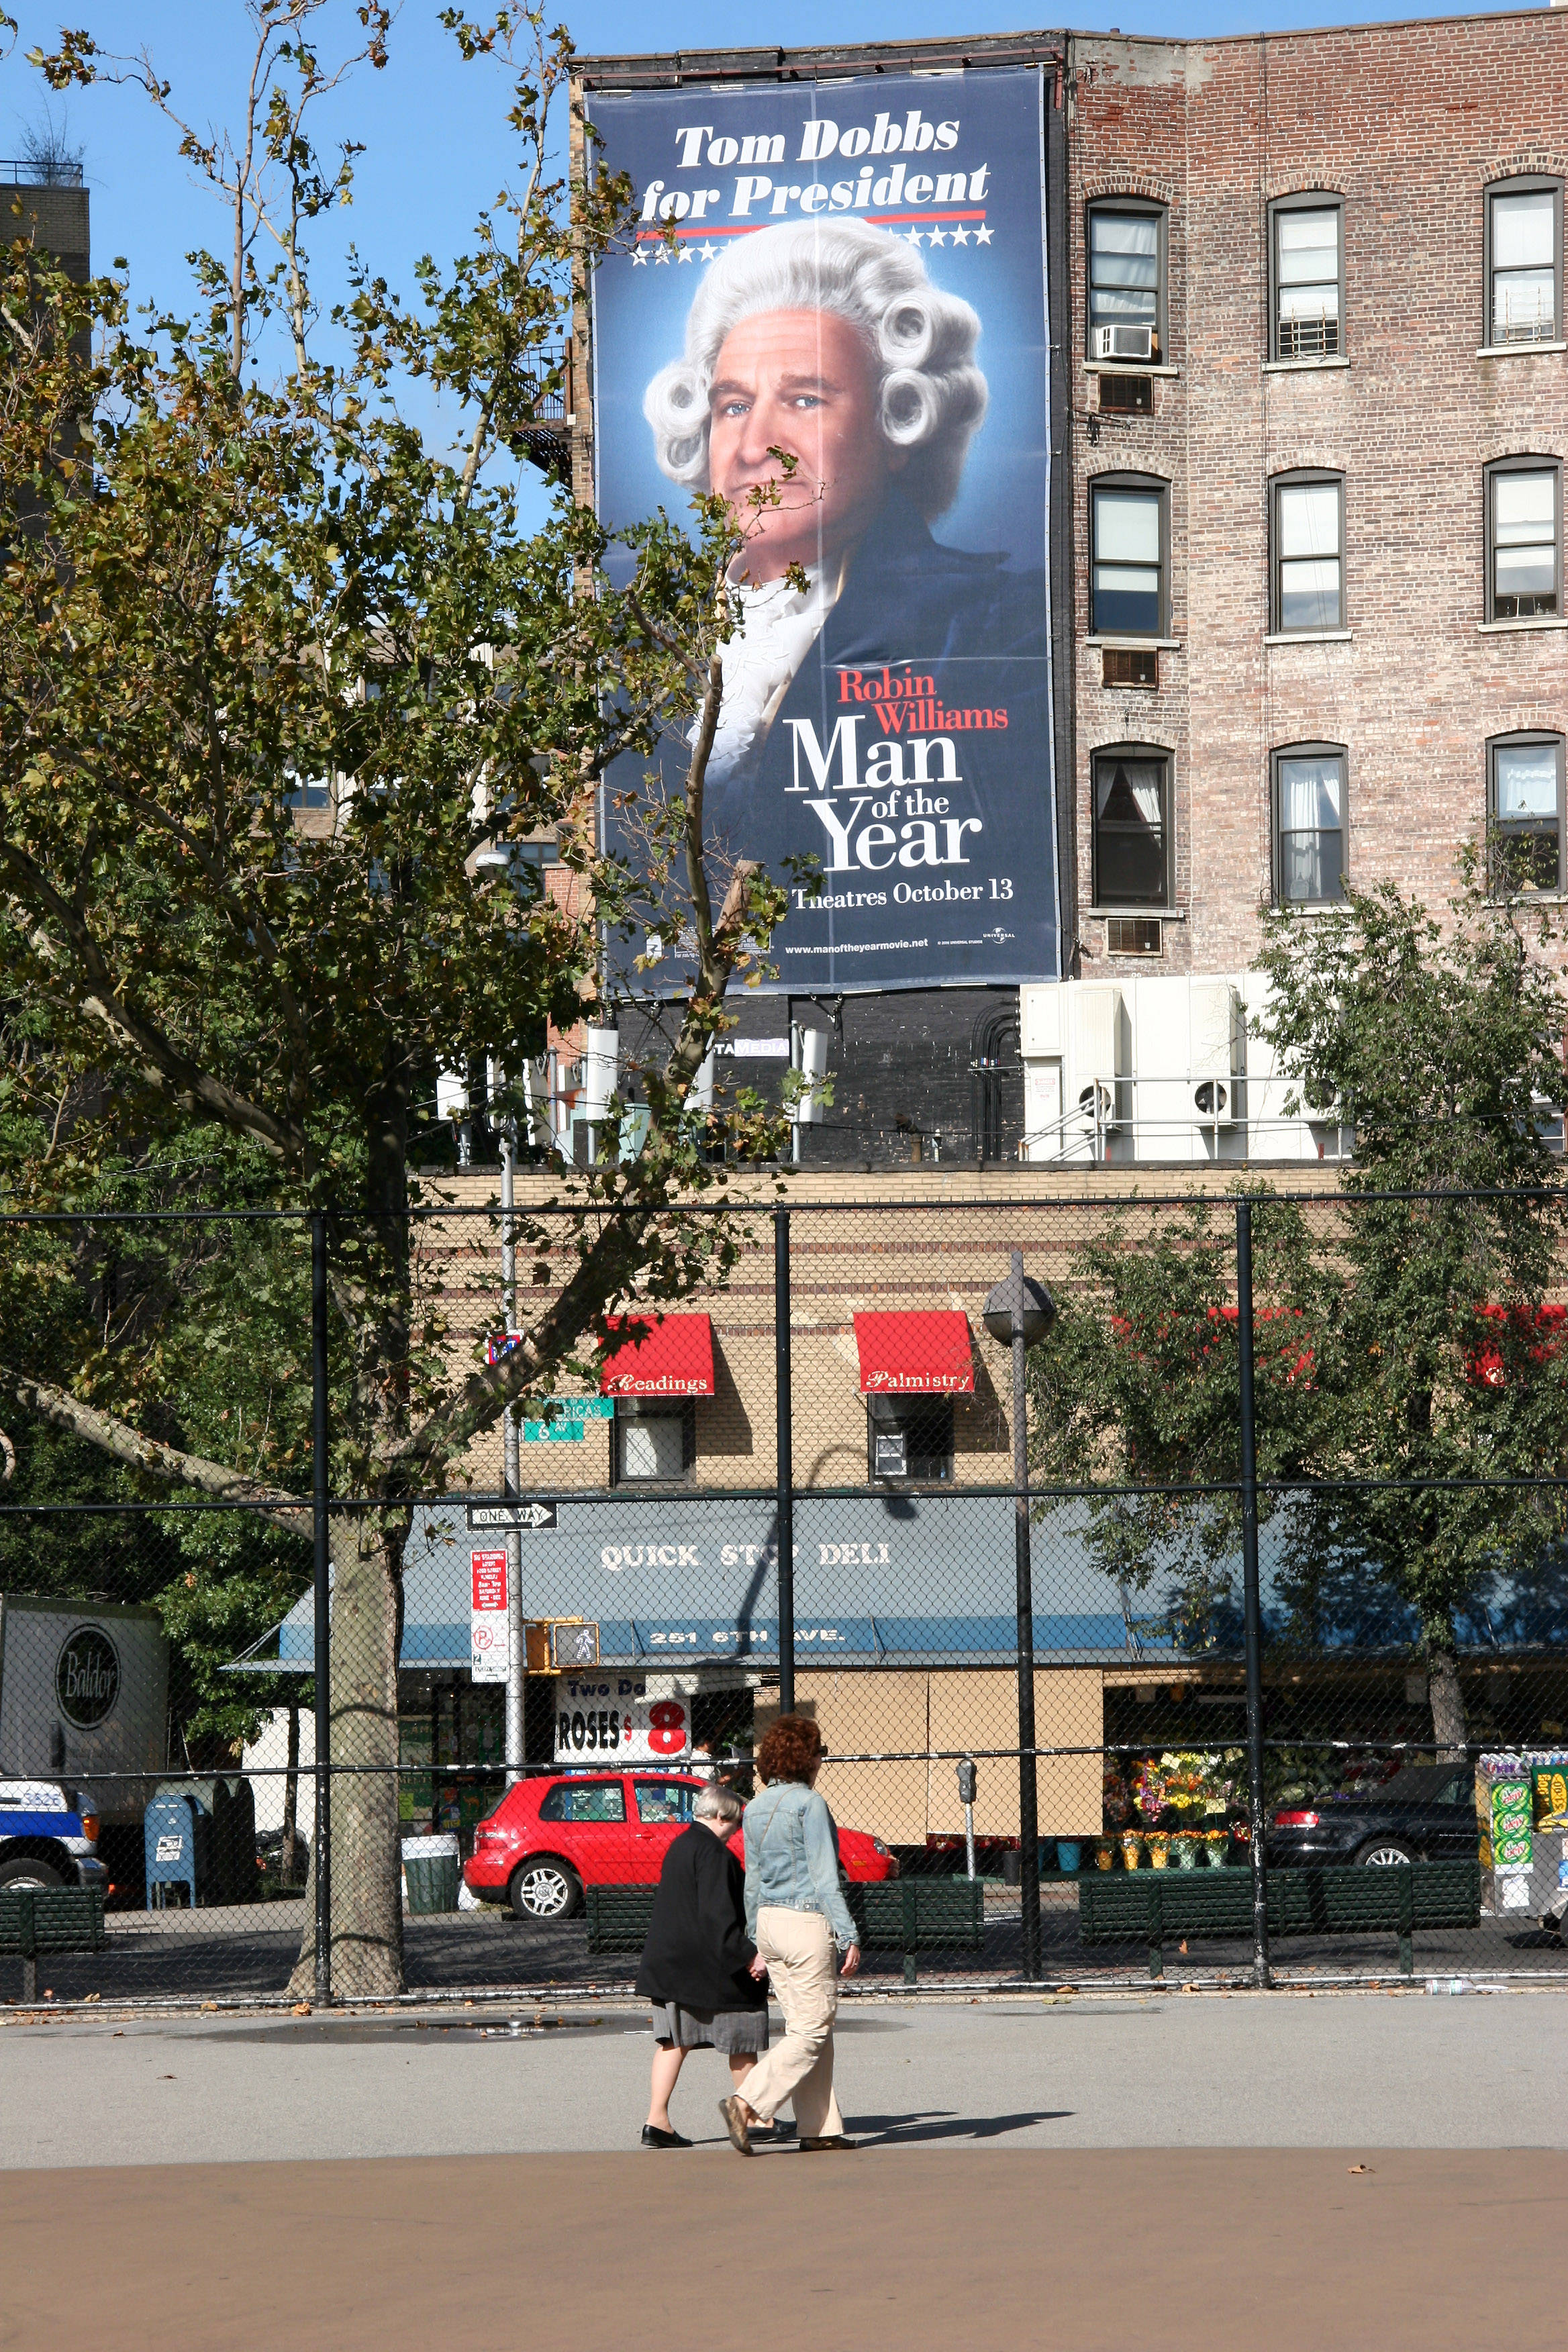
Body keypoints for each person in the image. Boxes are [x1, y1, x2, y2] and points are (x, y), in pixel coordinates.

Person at [718, 1713, 861, 2156]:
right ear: (807, 1757)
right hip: (804, 1924)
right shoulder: (810, 1804)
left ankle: (819, 2128)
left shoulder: (755, 1809)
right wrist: (848, 1934)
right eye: (819, 1751)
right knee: (814, 2028)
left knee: (807, 2026)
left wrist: (756, 1935)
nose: (822, 1759)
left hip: (772, 1925)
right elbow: (824, 1877)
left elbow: (753, 1879)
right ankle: (747, 2102)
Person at [634, 1780, 769, 2149]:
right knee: (743, 2028)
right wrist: (748, 1955)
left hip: (671, 1966)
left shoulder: (683, 1845)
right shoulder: (714, 1854)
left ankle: (656, 2121)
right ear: (724, 1816)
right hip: (706, 1968)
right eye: (737, 1822)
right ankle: (755, 2115)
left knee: (674, 2041)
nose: (737, 1830)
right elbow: (718, 1916)